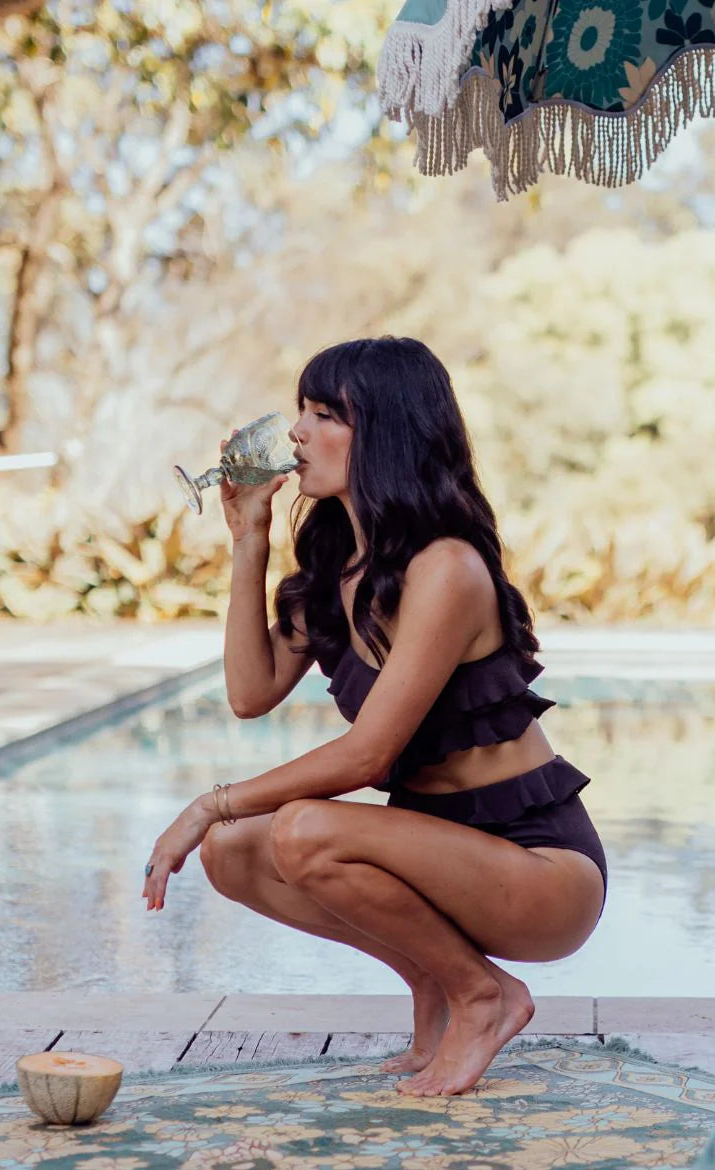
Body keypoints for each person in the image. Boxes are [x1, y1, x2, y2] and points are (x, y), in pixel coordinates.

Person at [142, 336, 607, 1097]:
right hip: (441, 858)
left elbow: (367, 757)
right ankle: (434, 981)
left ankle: (482, 996)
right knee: (234, 852)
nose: (297, 432)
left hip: (541, 875)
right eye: (302, 410)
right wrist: (250, 539)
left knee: (299, 828)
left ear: (388, 433)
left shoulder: (447, 567)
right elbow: (249, 694)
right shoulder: (337, 571)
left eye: (326, 415)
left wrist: (207, 803)